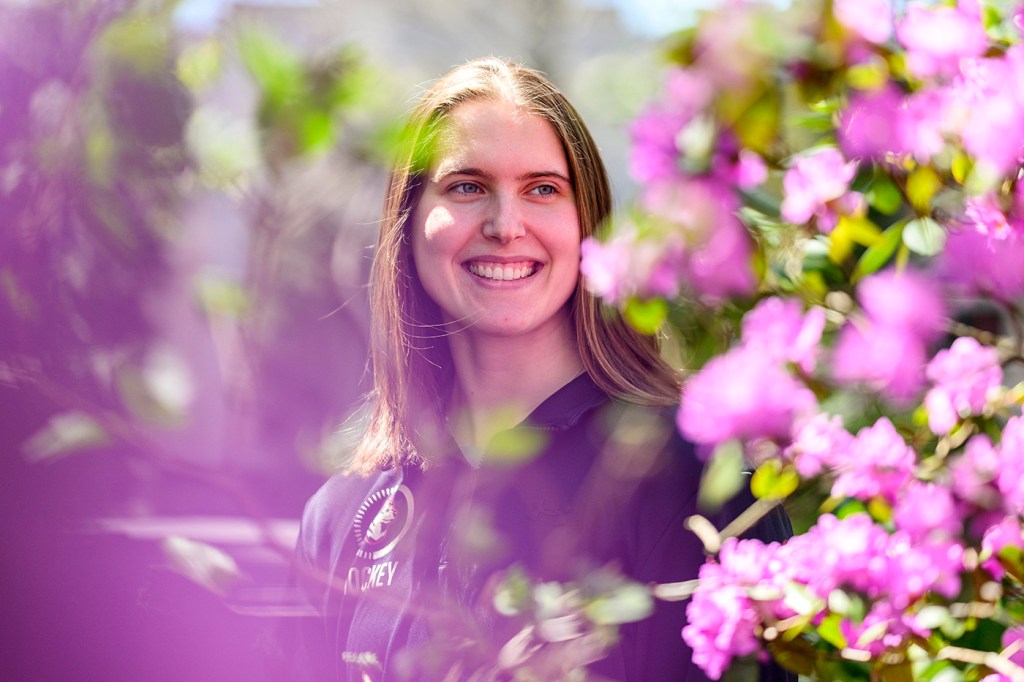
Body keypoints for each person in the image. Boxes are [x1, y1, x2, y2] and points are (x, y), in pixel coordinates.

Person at [292, 56, 793, 681]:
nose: (506, 225)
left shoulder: (690, 479)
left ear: (588, 225)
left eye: (543, 189)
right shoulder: (342, 515)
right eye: (466, 186)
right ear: (410, 223)